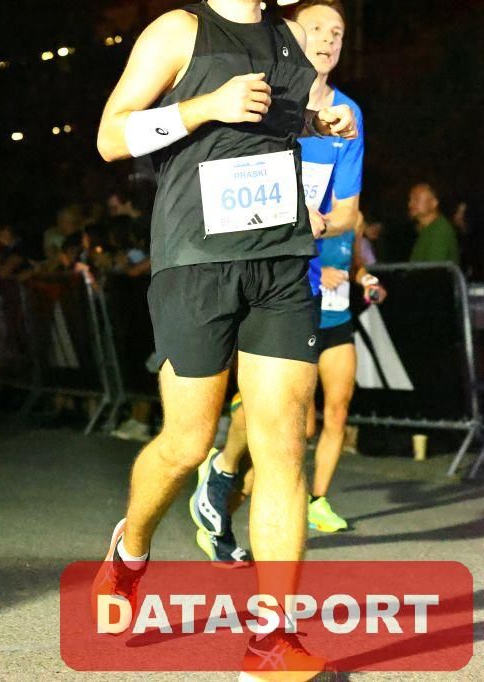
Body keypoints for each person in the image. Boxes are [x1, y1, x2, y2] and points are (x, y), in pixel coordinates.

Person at [91, 0, 357, 678]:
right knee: (187, 444)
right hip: (196, 261)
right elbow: (111, 137)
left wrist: (317, 121)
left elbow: (271, 121)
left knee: (282, 449)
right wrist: (204, 106)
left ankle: (272, 640)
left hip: (280, 260)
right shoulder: (180, 30)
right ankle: (130, 552)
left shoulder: (288, 36)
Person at [190, 0, 381, 567]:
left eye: (337, 32)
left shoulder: (348, 113)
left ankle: (227, 493)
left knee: (287, 417)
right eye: (315, 27)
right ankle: (221, 474)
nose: (326, 39)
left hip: (304, 274)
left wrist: (315, 221)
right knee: (232, 420)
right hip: (243, 264)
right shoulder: (264, 88)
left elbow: (347, 213)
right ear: (291, 33)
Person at [408, 183, 459, 265]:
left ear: (434, 203)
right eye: (410, 199)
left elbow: (433, 268)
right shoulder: (425, 230)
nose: (410, 204)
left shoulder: (441, 229)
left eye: (416, 199)